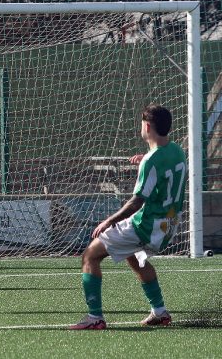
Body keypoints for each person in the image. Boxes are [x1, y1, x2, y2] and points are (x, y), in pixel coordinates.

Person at [70, 104, 186, 330]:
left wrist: (108, 221)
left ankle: (95, 318)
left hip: (147, 225)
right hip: (169, 225)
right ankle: (160, 312)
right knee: (134, 256)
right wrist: (147, 158)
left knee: (90, 255)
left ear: (148, 126)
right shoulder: (176, 151)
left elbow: (136, 201)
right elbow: (166, 169)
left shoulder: (150, 161)